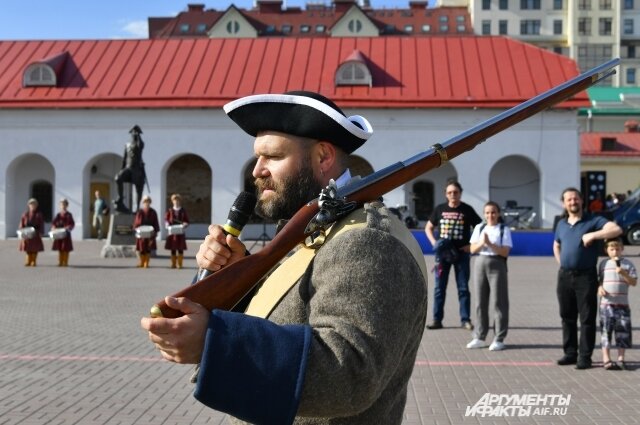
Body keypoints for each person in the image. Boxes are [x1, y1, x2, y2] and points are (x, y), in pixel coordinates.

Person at [141, 90, 429, 424]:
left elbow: (350, 372)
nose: (257, 171)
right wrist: (238, 277)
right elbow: (286, 315)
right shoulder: (312, 227)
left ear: (323, 157)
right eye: (258, 158)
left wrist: (214, 342)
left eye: (273, 157)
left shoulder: (366, 239)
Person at [553, 187, 622, 370]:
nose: (573, 202)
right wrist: (562, 264)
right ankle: (570, 353)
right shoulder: (561, 224)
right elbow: (556, 245)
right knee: (567, 316)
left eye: (576, 199)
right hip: (565, 276)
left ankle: (585, 357)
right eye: (569, 200)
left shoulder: (593, 220)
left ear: (582, 200)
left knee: (586, 318)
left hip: (586, 276)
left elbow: (615, 229)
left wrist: (593, 234)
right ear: (564, 203)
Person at [425, 180, 482, 330]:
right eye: (450, 192)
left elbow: (480, 228)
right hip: (442, 256)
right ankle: (437, 320)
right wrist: (434, 243)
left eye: (455, 192)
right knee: (439, 288)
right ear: (446, 194)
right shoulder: (439, 209)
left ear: (460, 193)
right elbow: (428, 228)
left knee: (463, 288)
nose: (453, 195)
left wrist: (472, 246)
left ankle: (465, 320)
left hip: (462, 255)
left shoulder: (467, 210)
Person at [466, 201, 512, 351]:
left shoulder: (504, 229)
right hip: (480, 263)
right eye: (487, 213)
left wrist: (490, 244)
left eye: (493, 212)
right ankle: (479, 336)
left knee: (500, 301)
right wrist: (482, 243)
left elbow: (505, 252)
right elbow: (472, 248)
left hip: (497, 264)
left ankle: (499, 337)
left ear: (498, 213)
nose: (490, 215)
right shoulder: (480, 227)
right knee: (480, 301)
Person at [597, 237, 637, 370]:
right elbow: (599, 281)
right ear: (606, 250)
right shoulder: (603, 264)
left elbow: (633, 282)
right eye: (611, 249)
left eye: (617, 249)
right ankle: (606, 359)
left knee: (623, 332)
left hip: (623, 305)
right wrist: (600, 288)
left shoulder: (628, 264)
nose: (615, 252)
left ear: (622, 249)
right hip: (606, 304)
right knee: (605, 331)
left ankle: (621, 359)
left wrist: (623, 273)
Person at [115, 125, 146, 213]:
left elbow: (140, 146)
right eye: (133, 132)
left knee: (138, 188)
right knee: (117, 178)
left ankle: (137, 208)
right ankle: (120, 199)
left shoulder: (139, 144)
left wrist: (139, 135)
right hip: (128, 168)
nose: (134, 134)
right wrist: (121, 169)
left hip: (136, 169)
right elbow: (124, 158)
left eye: (136, 132)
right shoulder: (127, 144)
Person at [133, 195, 159, 268]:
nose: (146, 203)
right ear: (143, 203)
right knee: (141, 248)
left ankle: (146, 263)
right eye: (145, 202)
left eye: (148, 202)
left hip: (150, 233)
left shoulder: (153, 212)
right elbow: (136, 222)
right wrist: (136, 229)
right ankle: (141, 262)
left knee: (148, 248)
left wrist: (155, 232)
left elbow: (155, 222)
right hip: (141, 233)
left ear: (150, 202)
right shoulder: (140, 212)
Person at [164, 193, 189, 269]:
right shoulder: (170, 210)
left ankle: (180, 264)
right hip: (172, 232)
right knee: (173, 248)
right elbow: (166, 220)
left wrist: (185, 223)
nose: (176, 202)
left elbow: (186, 220)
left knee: (180, 248)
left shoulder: (182, 211)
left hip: (180, 232)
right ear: (172, 201)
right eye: (175, 200)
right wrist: (167, 223)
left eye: (177, 200)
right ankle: (173, 263)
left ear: (179, 201)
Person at [18, 198, 45, 267]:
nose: (32, 206)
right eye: (31, 204)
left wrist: (41, 232)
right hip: (27, 234)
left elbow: (41, 224)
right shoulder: (25, 214)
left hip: (35, 234)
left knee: (34, 248)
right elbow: (21, 224)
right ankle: (28, 261)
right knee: (28, 248)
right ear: (29, 205)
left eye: (34, 204)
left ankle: (33, 261)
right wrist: (21, 231)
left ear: (36, 206)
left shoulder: (39, 214)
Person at [50, 198, 75, 267]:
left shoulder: (69, 215)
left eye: (64, 205)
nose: (63, 206)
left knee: (66, 248)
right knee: (60, 248)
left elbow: (72, 224)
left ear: (67, 206)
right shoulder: (58, 215)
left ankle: (65, 262)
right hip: (59, 233)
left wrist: (68, 227)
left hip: (66, 234)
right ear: (60, 206)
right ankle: (60, 261)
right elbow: (54, 222)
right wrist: (53, 227)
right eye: (61, 205)